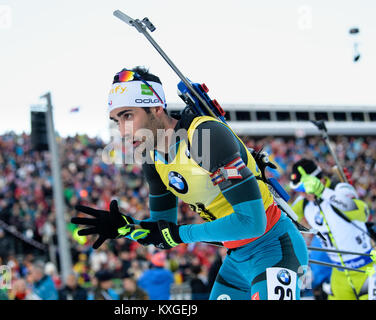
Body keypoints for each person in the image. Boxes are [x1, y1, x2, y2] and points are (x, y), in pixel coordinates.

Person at [71, 66, 308, 300]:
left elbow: (252, 223)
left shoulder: (204, 137)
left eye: (128, 116)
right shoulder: (152, 159)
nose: (123, 131)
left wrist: (179, 234)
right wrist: (127, 228)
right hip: (237, 260)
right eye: (116, 121)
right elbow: (162, 231)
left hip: (273, 249)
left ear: (156, 107)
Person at [290, 158, 375, 300]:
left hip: (366, 269)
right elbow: (284, 218)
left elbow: (363, 213)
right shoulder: (304, 203)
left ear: (319, 180)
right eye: (297, 190)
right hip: (339, 273)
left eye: (303, 188)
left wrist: (323, 192)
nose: (302, 194)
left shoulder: (339, 189)